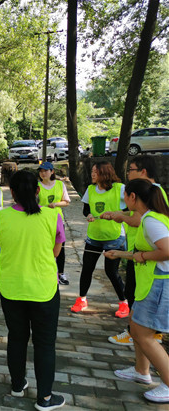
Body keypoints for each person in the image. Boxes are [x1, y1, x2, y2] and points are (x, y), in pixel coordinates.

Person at [0, 170, 66, 411]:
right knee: (45, 344)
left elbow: (5, 244)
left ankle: (17, 385)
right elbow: (56, 252)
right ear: (38, 191)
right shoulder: (52, 215)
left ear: (11, 193)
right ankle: (45, 398)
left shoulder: (2, 217)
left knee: (16, 338)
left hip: (12, 289)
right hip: (44, 289)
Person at [104, 179, 169, 404]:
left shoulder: (151, 221)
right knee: (135, 326)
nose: (124, 200)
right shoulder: (149, 219)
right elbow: (143, 251)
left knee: (144, 335)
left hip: (157, 285)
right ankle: (142, 371)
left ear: (133, 197)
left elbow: (166, 250)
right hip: (147, 284)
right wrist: (118, 255)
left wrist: (141, 257)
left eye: (126, 196)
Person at [102, 156, 168, 346]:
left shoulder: (152, 204)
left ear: (143, 171)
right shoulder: (149, 195)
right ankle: (140, 349)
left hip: (150, 267)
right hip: (139, 256)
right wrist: (119, 214)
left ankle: (137, 335)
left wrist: (121, 218)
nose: (128, 173)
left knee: (135, 300)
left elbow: (142, 220)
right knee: (134, 298)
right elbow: (137, 215)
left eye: (130, 169)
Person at [71, 161, 129, 317]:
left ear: (105, 173)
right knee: (87, 269)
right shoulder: (90, 189)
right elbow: (86, 210)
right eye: (92, 171)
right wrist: (89, 215)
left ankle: (124, 303)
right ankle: (82, 299)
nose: (92, 174)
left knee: (111, 271)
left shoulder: (120, 189)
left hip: (114, 237)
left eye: (96, 172)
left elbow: (131, 209)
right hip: (94, 236)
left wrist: (117, 214)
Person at [37, 162, 70, 285]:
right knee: (43, 247)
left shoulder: (60, 185)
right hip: (42, 220)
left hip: (57, 220)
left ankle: (61, 273)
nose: (43, 173)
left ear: (52, 172)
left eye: (45, 171)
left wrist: (55, 204)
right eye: (40, 171)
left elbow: (66, 202)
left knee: (60, 248)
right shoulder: (37, 186)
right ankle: (44, 272)